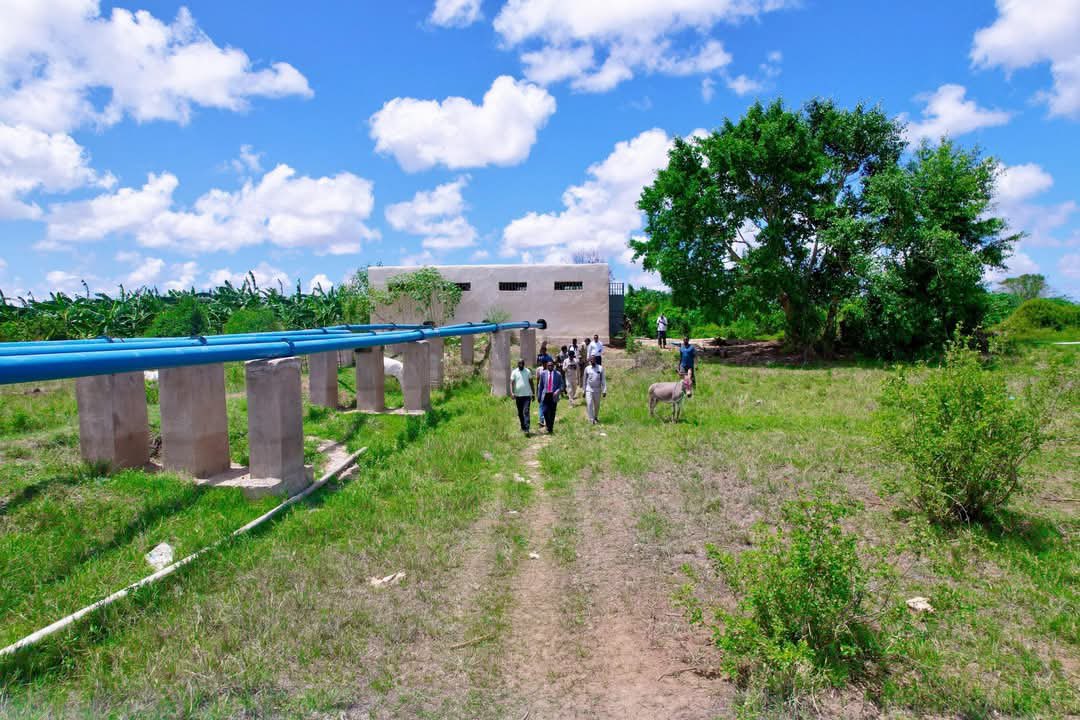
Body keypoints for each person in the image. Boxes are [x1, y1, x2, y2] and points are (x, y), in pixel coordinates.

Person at [536, 359, 564, 433]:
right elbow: (540, 386)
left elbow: (561, 385)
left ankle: (550, 428)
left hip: (553, 395)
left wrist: (557, 391)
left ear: (553, 366)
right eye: (549, 365)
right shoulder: (543, 374)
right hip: (545, 395)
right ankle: (548, 425)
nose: (550, 367)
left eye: (551, 365)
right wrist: (539, 396)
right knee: (545, 411)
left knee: (552, 412)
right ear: (547, 366)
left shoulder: (558, 374)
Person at [510, 358, 535, 434]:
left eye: (522, 363)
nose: (521, 365)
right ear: (517, 364)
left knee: (526, 411)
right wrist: (512, 392)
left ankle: (527, 429)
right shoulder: (514, 372)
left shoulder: (528, 371)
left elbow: (531, 382)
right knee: (520, 413)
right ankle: (523, 426)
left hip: (527, 395)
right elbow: (511, 383)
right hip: (518, 395)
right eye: (519, 363)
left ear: (524, 364)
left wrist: (533, 393)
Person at [583, 355, 607, 424]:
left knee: (597, 405)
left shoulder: (600, 368)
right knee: (589, 403)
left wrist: (604, 390)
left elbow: (603, 380)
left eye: (593, 360)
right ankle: (591, 419)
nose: (592, 361)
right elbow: (584, 380)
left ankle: (595, 417)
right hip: (589, 389)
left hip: (597, 389)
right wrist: (584, 390)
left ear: (595, 360)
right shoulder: (587, 368)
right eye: (591, 360)